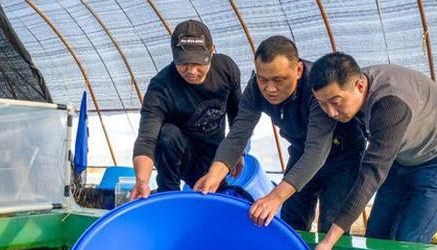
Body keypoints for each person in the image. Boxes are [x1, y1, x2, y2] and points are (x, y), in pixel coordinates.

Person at [309, 52, 437, 250]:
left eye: (336, 102)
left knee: (407, 242)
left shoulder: (391, 104)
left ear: (360, 86)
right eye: (323, 104)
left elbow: (371, 174)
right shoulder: (350, 93)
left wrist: (329, 240)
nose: (331, 112)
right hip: (403, 157)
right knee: (377, 233)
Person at [194, 36, 365, 232]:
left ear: (298, 70)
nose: (270, 88)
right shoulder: (255, 90)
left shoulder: (316, 88)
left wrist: (275, 196)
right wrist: (214, 175)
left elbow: (317, 150)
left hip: (341, 157)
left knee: (331, 223)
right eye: (263, 79)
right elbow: (238, 134)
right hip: (301, 152)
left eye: (279, 80)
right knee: (291, 220)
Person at [130, 20, 241, 200]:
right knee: (167, 134)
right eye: (183, 63)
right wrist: (142, 180)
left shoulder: (226, 70)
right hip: (179, 158)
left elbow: (238, 118)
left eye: (199, 63)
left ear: (212, 50)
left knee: (217, 204)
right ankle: (168, 195)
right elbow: (146, 139)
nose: (192, 71)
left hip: (215, 159)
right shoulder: (161, 86)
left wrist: (236, 154)